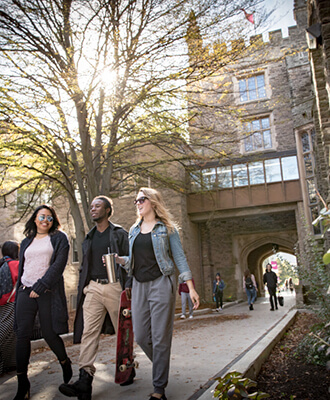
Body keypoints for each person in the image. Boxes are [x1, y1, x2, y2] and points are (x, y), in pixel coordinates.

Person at [116, 187, 200, 400]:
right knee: (143, 336)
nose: (138, 203)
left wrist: (190, 287)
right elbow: (134, 261)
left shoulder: (168, 229)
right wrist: (120, 260)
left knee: (161, 337)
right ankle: (162, 365)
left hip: (162, 283)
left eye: (141, 199)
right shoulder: (133, 230)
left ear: (153, 202)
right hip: (139, 285)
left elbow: (179, 258)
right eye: (136, 200)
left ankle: (158, 389)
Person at [59, 196, 132, 400]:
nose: (92, 209)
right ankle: (85, 379)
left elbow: (130, 262)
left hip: (115, 287)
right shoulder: (89, 237)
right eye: (91, 207)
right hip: (93, 288)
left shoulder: (119, 234)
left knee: (123, 332)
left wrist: (127, 288)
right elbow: (85, 264)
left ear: (108, 210)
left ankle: (127, 367)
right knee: (89, 332)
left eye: (97, 206)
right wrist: (84, 287)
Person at [13, 205, 72, 400]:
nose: (45, 220)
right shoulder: (26, 241)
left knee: (49, 333)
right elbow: (24, 266)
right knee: (22, 335)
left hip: (47, 292)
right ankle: (23, 384)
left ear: (53, 221)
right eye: (42, 216)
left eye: (49, 217)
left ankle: (64, 362)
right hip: (25, 290)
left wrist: (41, 286)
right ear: (35, 219)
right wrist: (21, 287)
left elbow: (58, 265)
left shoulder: (59, 238)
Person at [0, 241, 19, 376]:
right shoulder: (15, 265)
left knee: (11, 334)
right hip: (11, 302)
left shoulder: (2, 264)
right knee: (7, 333)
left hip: (2, 302)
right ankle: (9, 364)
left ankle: (9, 364)